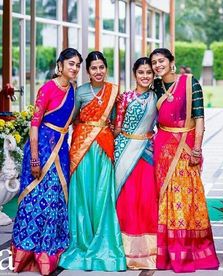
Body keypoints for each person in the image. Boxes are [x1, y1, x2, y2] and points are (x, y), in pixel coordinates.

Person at [11, 48, 83, 275]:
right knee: (34, 199)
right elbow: (34, 124)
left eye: (78, 65)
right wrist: (34, 157)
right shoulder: (47, 89)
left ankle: (48, 253)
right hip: (41, 149)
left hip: (61, 150)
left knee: (55, 200)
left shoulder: (73, 90)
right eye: (71, 63)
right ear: (60, 65)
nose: (75, 68)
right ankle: (26, 254)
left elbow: (74, 121)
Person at [150, 48, 219, 273]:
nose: (158, 65)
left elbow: (199, 117)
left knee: (187, 198)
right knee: (165, 200)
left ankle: (190, 251)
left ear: (172, 62)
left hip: (186, 147)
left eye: (161, 61)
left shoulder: (190, 82)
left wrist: (197, 149)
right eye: (154, 62)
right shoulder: (155, 87)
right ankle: (168, 252)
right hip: (162, 149)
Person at [59, 51, 126, 271]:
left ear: (106, 68)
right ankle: (83, 241)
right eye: (93, 68)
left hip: (104, 148)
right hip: (81, 150)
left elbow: (118, 121)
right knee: (83, 195)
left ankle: (104, 243)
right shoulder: (79, 92)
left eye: (101, 67)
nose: (98, 71)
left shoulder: (114, 91)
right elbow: (73, 118)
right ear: (87, 71)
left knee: (102, 196)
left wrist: (102, 134)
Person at [114, 57, 158, 270]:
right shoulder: (124, 97)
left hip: (148, 153)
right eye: (141, 72)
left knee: (147, 199)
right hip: (125, 153)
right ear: (134, 74)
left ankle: (149, 250)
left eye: (149, 72)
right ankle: (124, 249)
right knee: (127, 199)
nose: (145, 76)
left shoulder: (157, 97)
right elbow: (117, 126)